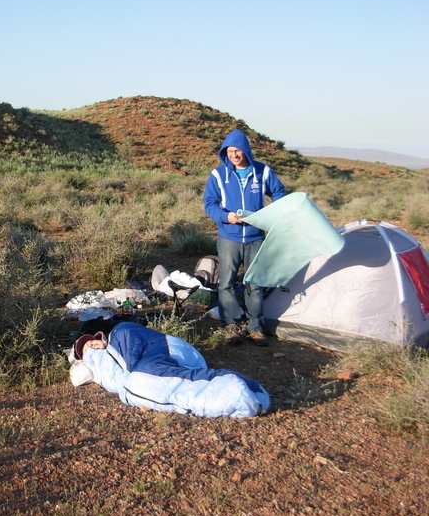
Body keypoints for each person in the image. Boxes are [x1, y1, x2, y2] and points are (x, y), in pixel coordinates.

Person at [70, 322, 270, 418]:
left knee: (137, 383)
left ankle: (237, 393)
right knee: (137, 382)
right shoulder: (102, 359)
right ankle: (240, 389)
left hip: (160, 347)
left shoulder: (117, 337)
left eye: (92, 342)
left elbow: (117, 375)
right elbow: (106, 375)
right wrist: (90, 357)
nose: (92, 347)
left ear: (101, 338)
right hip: (186, 358)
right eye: (86, 350)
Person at [203, 129, 286, 346]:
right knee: (227, 282)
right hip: (228, 236)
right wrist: (225, 217)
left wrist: (273, 212)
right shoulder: (218, 174)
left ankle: (255, 327)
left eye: (237, 150)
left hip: (255, 236)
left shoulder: (262, 171)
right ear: (225, 152)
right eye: (230, 151)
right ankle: (231, 325)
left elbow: (278, 192)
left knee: (255, 282)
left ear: (245, 150)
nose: (234, 155)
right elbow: (210, 204)